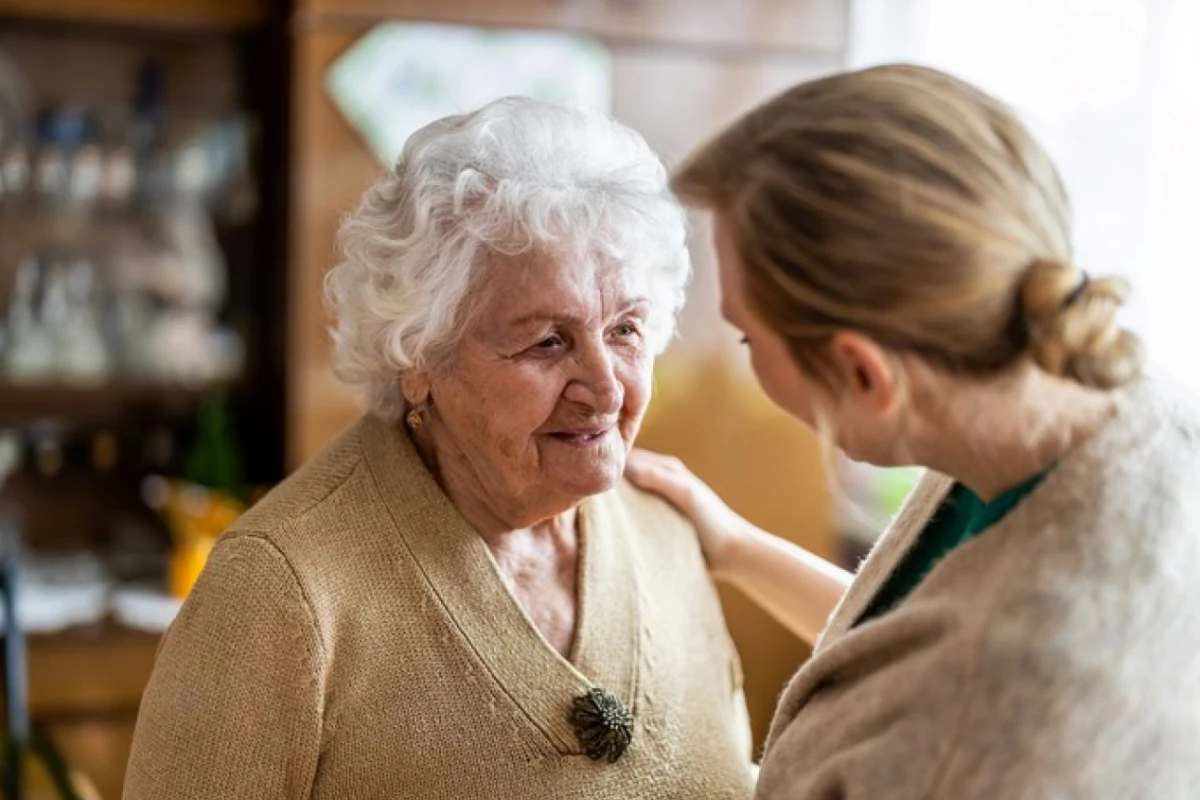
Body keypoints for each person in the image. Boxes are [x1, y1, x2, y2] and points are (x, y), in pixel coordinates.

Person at [123, 97, 755, 800]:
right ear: (419, 356)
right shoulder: (278, 594)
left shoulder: (668, 532)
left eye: (627, 330)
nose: (605, 390)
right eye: (548, 340)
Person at [627, 64, 1200, 798]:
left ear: (863, 374)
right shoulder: (1079, 405)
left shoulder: (1019, 716)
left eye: (746, 340)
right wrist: (735, 547)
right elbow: (913, 643)